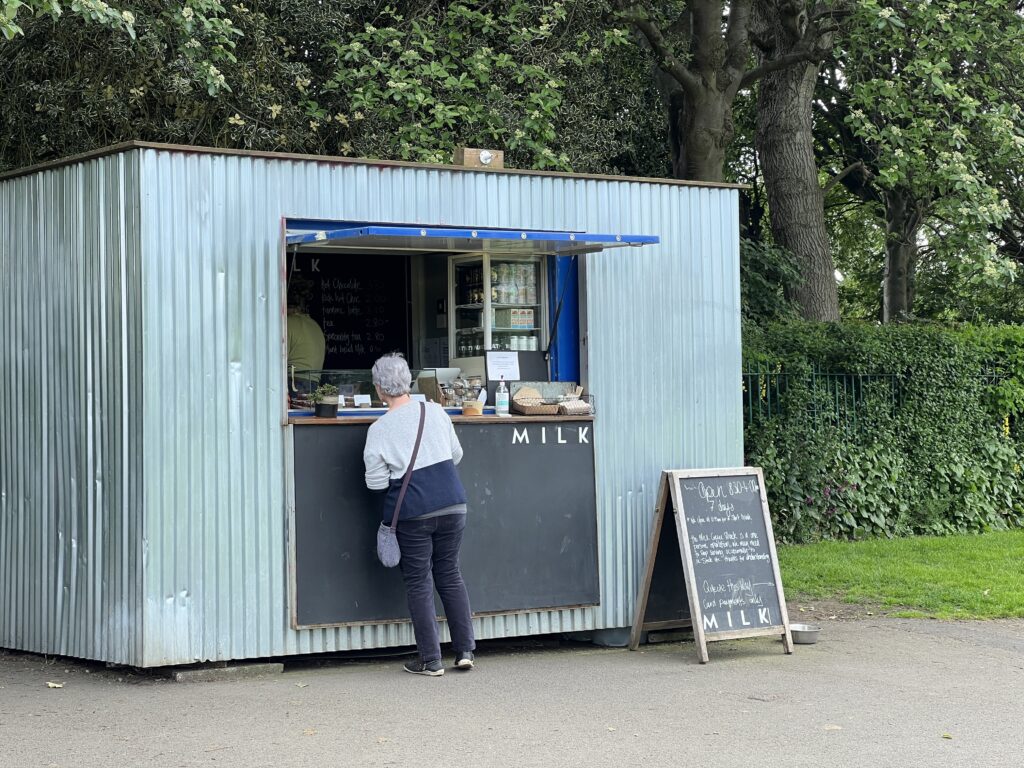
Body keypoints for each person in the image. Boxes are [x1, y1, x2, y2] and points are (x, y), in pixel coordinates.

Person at [362, 353, 476, 676]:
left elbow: (376, 483)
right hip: (454, 504)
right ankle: (465, 650)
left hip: (414, 513)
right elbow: (456, 454)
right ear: (408, 382)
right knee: (450, 574)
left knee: (418, 581)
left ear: (380, 391)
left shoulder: (379, 429)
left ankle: (431, 660)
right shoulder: (436, 411)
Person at [286, 287, 326, 396]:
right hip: (314, 381)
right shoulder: (314, 325)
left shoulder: (287, 323)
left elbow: (279, 359)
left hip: (294, 381)